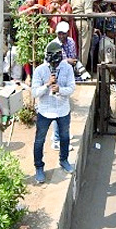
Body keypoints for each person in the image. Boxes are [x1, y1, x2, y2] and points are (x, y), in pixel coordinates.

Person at [31, 40, 76, 184]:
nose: (54, 66)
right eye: (52, 64)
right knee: (39, 140)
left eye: (56, 63)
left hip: (62, 110)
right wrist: (47, 85)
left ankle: (64, 160)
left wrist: (60, 90)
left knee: (64, 137)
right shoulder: (40, 70)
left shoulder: (67, 68)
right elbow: (34, 93)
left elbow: (71, 88)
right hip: (45, 111)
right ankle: (39, 167)